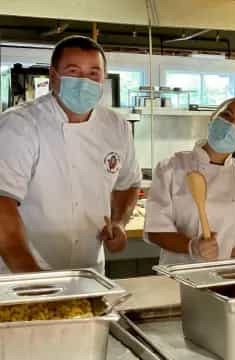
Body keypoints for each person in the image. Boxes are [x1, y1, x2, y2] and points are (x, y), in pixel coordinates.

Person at [0, 36, 141, 273]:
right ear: (53, 76)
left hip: (88, 272)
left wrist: (119, 221)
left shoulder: (117, 127)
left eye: (93, 73)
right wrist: (30, 274)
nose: (84, 81)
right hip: (21, 271)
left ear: (103, 79)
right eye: (73, 72)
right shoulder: (19, 125)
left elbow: (129, 183)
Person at [144, 96, 235, 264]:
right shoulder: (170, 168)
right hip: (181, 275)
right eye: (227, 116)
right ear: (212, 117)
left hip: (231, 276)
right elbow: (155, 230)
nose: (231, 126)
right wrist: (191, 246)